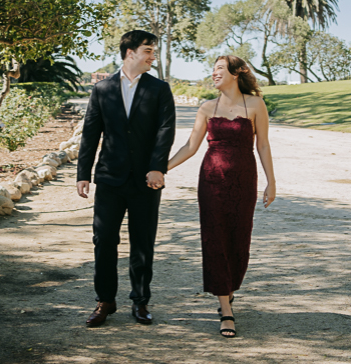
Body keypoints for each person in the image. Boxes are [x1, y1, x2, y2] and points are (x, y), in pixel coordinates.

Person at [166, 55, 276, 337]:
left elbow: (263, 145)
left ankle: (229, 286)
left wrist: (271, 182)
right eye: (212, 70)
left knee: (239, 237)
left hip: (244, 180)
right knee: (214, 238)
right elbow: (191, 146)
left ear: (237, 72)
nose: (214, 74)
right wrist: (161, 168)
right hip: (211, 181)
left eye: (219, 69)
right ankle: (225, 307)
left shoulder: (254, 104)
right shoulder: (206, 107)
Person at [77, 31, 176, 328]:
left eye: (153, 51)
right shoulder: (102, 89)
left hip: (147, 180)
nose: (152, 55)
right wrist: (83, 173)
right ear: (129, 52)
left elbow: (165, 130)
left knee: (143, 243)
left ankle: (140, 301)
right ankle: (105, 301)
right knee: (103, 240)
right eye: (147, 50)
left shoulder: (160, 89)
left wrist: (158, 167)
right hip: (109, 179)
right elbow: (90, 133)